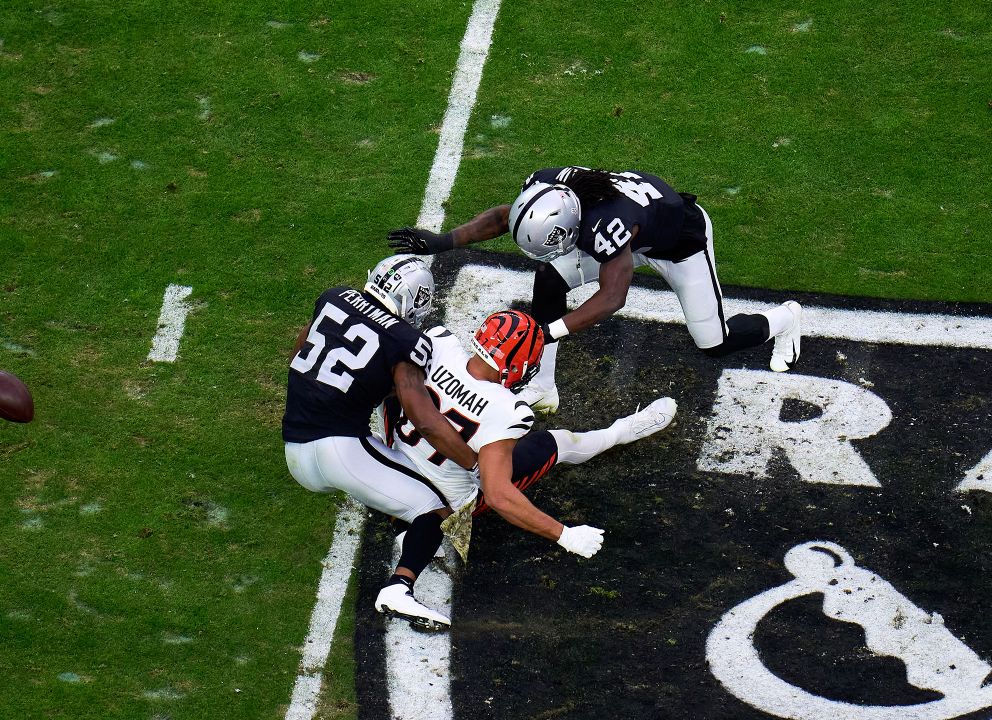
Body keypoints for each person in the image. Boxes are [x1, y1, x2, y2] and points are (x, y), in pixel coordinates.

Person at [388, 166, 804, 413]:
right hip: (632, 234)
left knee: (712, 342)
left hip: (679, 246)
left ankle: (787, 318)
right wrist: (444, 241)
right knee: (549, 277)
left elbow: (613, 296)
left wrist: (546, 332)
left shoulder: (605, 224)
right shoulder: (549, 186)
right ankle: (544, 387)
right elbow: (504, 216)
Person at [385, 309, 677, 562]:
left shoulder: (438, 341)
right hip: (446, 495)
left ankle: (402, 520)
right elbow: (498, 495)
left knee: (392, 388)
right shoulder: (509, 409)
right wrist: (564, 535)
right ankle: (620, 432)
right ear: (516, 365)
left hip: (391, 464)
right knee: (556, 443)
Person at [283, 255, 478, 632]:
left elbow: (298, 357)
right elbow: (424, 418)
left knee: (397, 482)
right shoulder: (405, 339)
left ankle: (405, 528)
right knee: (437, 511)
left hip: (295, 449)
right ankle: (399, 588)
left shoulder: (334, 297)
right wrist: (473, 463)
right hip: (340, 451)